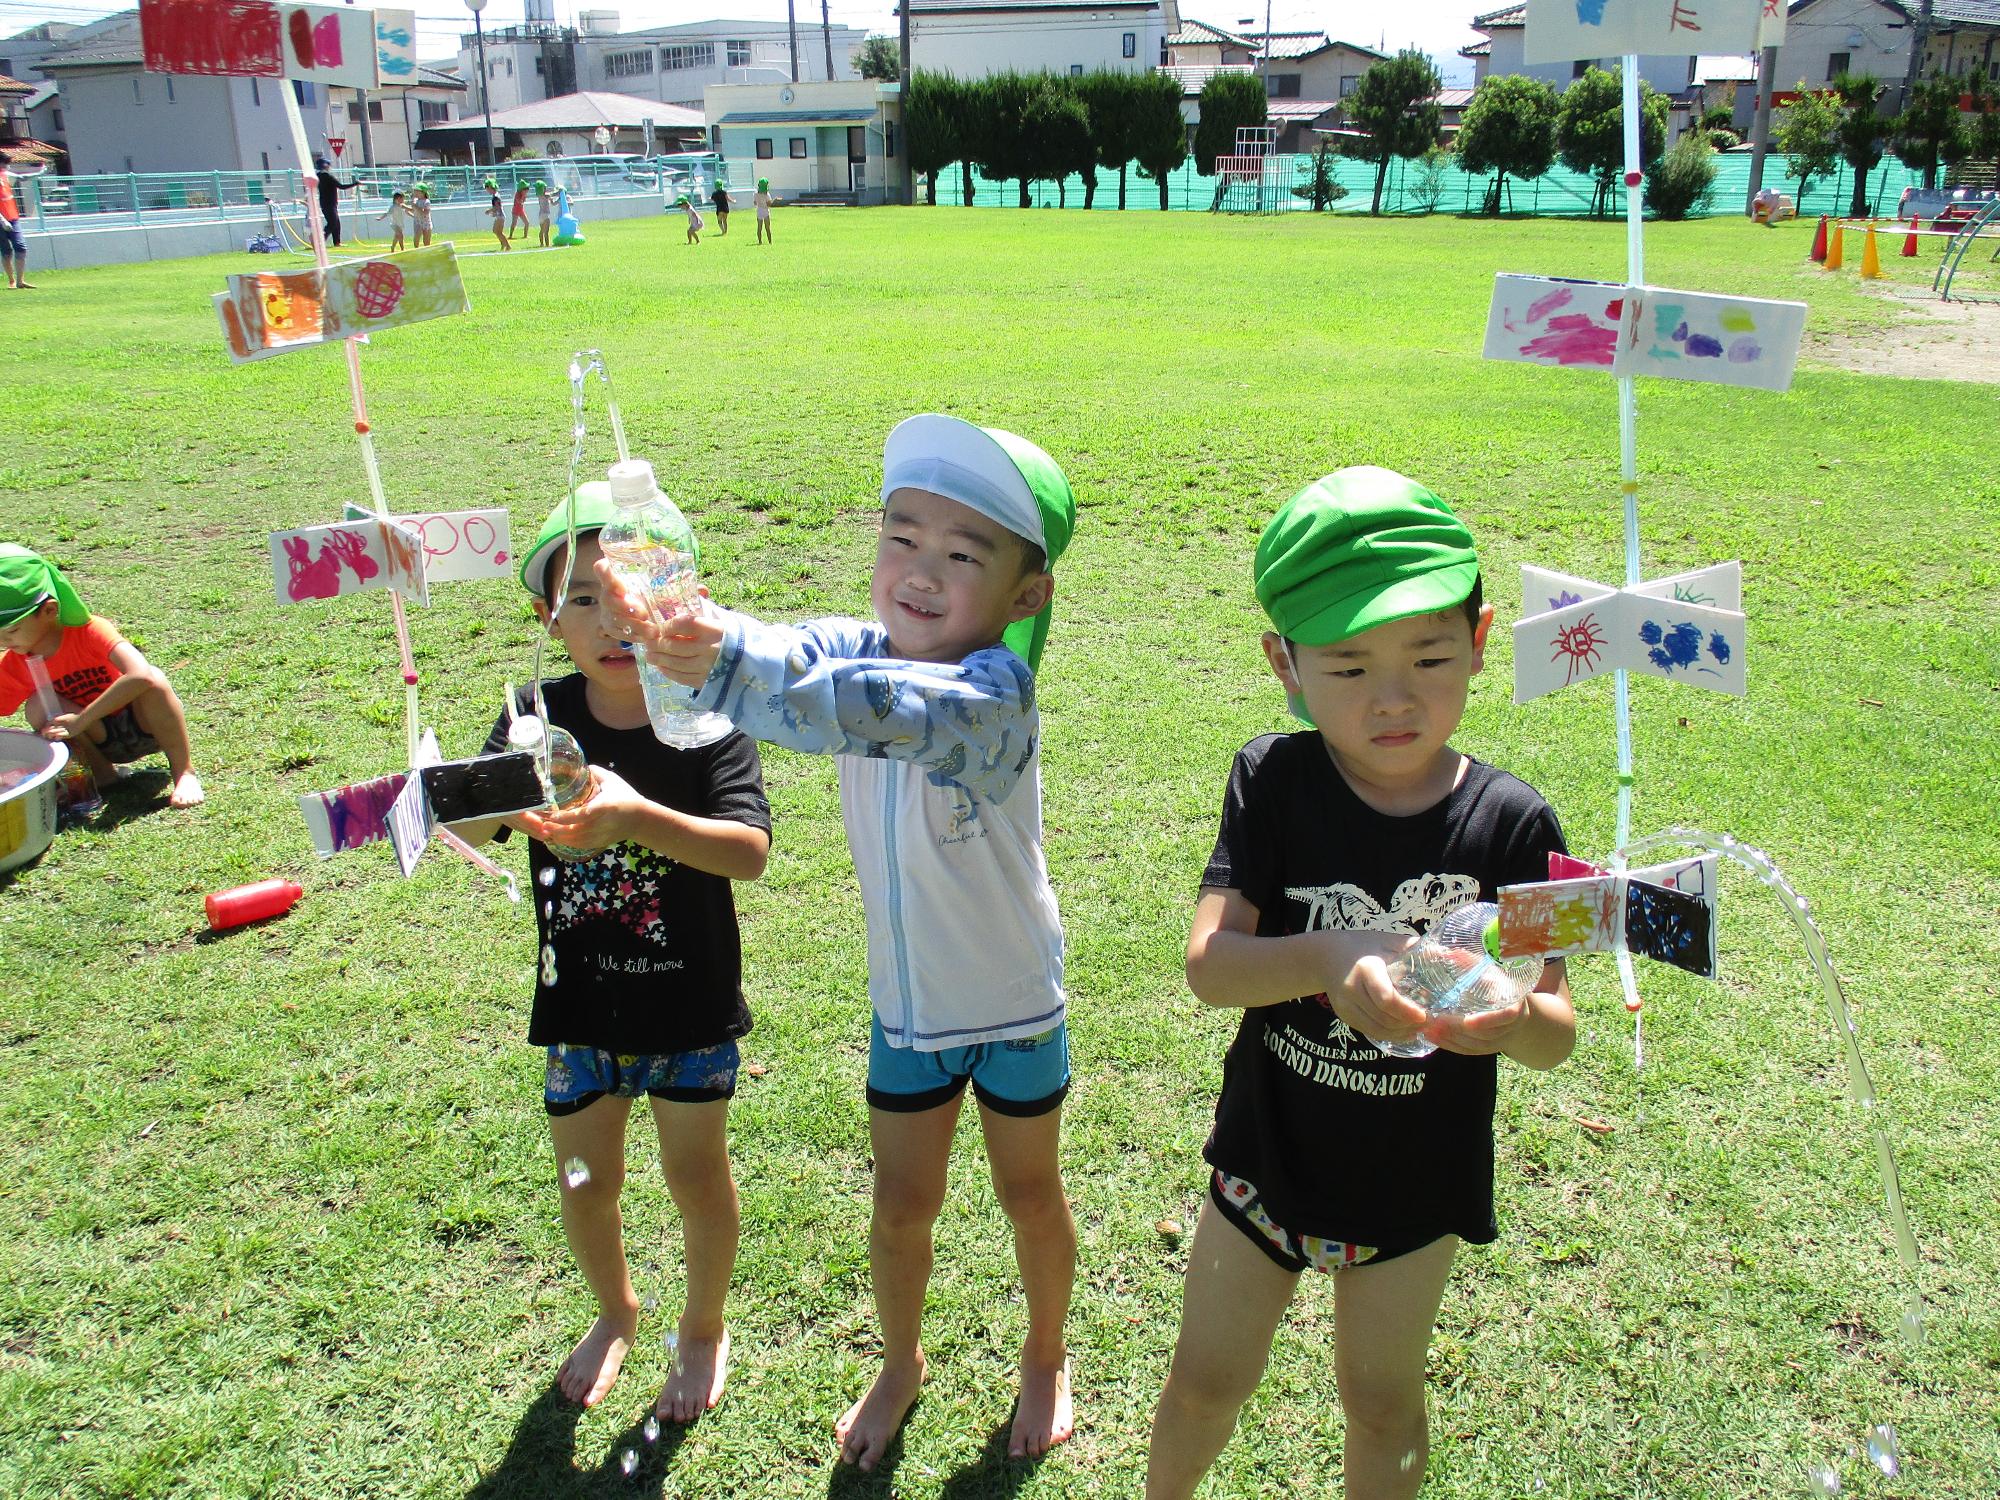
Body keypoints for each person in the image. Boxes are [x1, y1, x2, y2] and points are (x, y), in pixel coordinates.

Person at [602, 415, 1080, 1469]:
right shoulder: (854, 644)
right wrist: (700, 628)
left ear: (1024, 594)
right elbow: (794, 652)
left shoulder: (995, 696)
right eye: (901, 538)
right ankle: (900, 1358)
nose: (920, 572)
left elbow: (872, 710)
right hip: (906, 1010)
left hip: (1010, 1003)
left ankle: (1044, 1354)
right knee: (901, 1203)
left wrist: (723, 666)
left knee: (1028, 1194)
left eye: (964, 555)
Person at [1144, 467, 1576, 1500]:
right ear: (1284, 667)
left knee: (1381, 1403)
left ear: (1478, 643)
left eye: (1428, 656)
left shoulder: (1515, 826)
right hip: (1263, 1165)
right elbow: (1210, 966)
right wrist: (1333, 957)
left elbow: (1556, 1029)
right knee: (1205, 1383)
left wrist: (1509, 1017)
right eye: (1345, 666)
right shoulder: (1273, 781)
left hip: (1411, 1188)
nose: (1392, 696)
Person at [454, 491, 772, 1420]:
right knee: (584, 1182)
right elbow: (465, 824)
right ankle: (616, 1310)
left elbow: (746, 852)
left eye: (630, 592)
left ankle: (702, 1327)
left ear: (677, 600)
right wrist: (487, 795)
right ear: (546, 617)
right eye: (581, 598)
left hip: (688, 1010)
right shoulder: (533, 718)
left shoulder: (706, 715)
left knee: (695, 1181)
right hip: (580, 1014)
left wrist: (636, 815)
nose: (609, 619)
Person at [0, 544, 204, 808]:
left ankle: (184, 773)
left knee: (154, 679)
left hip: (141, 724)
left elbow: (140, 675)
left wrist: (81, 720)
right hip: (95, 738)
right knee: (38, 706)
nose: (4, 640)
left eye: (12, 630)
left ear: (49, 611)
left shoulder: (90, 631)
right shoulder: (16, 662)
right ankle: (103, 776)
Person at [0, 157, 32, 290]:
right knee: (6, 251)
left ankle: (20, 281)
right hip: (1, 220)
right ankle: (12, 281)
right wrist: (2, 220)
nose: (7, 166)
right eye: (5, 163)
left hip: (13, 218)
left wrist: (40, 171)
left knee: (21, 247)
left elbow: (22, 176)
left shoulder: (5, 176)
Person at [312, 156, 356, 248]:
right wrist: (355, 183)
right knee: (332, 223)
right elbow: (341, 186)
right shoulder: (327, 176)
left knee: (336, 223)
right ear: (325, 166)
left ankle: (337, 242)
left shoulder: (318, 176)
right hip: (330, 203)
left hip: (325, 203)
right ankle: (320, 241)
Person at [376, 189, 408, 253]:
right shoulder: (393, 207)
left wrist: (413, 215)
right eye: (401, 199)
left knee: (396, 237)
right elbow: (387, 213)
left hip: (400, 224)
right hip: (394, 224)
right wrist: (380, 218)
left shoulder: (402, 206)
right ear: (397, 199)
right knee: (400, 235)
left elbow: (408, 211)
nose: (403, 200)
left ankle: (392, 247)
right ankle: (402, 249)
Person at [484, 177, 510, 252]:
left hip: (500, 216)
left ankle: (507, 245)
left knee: (498, 232)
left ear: (490, 187)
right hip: (499, 216)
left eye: (487, 188)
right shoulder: (496, 195)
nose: (487, 190)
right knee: (496, 231)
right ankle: (503, 244)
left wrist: (489, 211)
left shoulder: (495, 197)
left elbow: (496, 207)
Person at [409, 183, 433, 248]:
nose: (415, 192)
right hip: (418, 223)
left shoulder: (426, 202)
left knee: (426, 242)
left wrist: (415, 206)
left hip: (426, 223)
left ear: (423, 192)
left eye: (417, 191)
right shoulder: (416, 201)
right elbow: (414, 210)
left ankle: (427, 253)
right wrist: (406, 208)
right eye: (415, 190)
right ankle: (416, 250)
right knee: (416, 237)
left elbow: (425, 213)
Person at [753, 177, 775, 245]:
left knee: (759, 227)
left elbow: (755, 203)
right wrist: (774, 200)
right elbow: (769, 204)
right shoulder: (767, 194)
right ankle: (770, 242)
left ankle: (760, 241)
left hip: (759, 210)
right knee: (767, 228)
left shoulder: (756, 194)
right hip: (765, 211)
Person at [536, 180, 553, 248]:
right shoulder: (546, 195)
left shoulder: (539, 196)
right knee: (546, 231)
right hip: (546, 214)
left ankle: (541, 243)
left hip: (540, 215)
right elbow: (552, 196)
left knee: (542, 230)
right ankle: (547, 245)